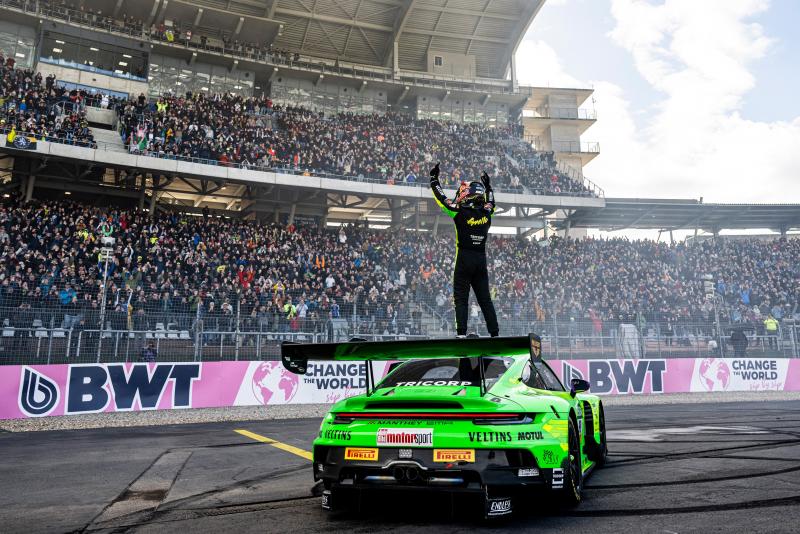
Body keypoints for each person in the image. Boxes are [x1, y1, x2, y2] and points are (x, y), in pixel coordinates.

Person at [429, 163, 499, 337]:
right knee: (485, 300)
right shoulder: (487, 213)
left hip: (464, 259)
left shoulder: (459, 210)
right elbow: (491, 201)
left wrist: (433, 179)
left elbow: (441, 198)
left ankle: (461, 334)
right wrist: (489, 187)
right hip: (481, 260)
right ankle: (495, 334)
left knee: (461, 299)